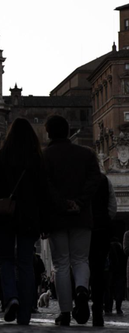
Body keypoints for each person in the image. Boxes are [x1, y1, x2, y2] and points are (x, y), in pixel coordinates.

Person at [0, 118, 47, 325]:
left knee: (6, 260)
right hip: (29, 216)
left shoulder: (0, 156)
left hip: (6, 215)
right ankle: (25, 314)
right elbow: (44, 193)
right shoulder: (37, 159)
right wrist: (46, 222)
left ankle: (11, 297)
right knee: (26, 263)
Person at [43, 115, 102, 326]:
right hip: (82, 215)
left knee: (61, 264)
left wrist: (61, 203)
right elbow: (96, 179)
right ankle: (82, 290)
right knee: (80, 260)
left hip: (57, 218)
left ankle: (66, 312)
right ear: (68, 132)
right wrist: (80, 201)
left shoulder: (45, 157)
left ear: (49, 133)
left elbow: (45, 186)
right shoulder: (86, 154)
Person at [89, 170, 117, 326]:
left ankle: (80, 295)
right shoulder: (105, 180)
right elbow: (113, 208)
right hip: (101, 230)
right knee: (98, 271)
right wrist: (105, 220)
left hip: (84, 229)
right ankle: (97, 309)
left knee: (80, 265)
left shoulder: (80, 178)